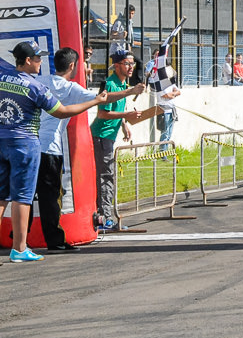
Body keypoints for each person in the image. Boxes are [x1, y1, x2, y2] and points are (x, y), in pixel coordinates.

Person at [0, 41, 109, 262]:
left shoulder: (3, 78)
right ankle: (19, 249)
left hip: (2, 140)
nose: (42, 62)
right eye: (38, 58)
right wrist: (96, 101)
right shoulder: (35, 87)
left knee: (1, 197)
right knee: (22, 198)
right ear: (28, 60)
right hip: (26, 145)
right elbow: (62, 111)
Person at [33, 47, 143, 250]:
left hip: (32, 143)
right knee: (50, 195)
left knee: (27, 194)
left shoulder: (43, 81)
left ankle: (19, 239)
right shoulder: (71, 88)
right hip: (50, 146)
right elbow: (103, 100)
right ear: (73, 66)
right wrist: (131, 91)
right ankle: (53, 241)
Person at [91, 49, 146, 230]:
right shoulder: (110, 84)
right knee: (106, 176)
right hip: (101, 136)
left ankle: (104, 215)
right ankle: (105, 217)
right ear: (116, 65)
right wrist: (127, 113)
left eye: (132, 64)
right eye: (127, 64)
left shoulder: (123, 85)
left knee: (108, 175)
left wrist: (124, 123)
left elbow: (118, 107)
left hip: (109, 136)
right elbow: (102, 113)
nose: (131, 67)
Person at [148, 58, 181, 154]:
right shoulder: (159, 81)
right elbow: (166, 95)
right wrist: (172, 94)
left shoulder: (170, 80)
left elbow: (177, 91)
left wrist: (173, 94)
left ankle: (165, 151)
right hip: (163, 109)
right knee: (165, 133)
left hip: (171, 109)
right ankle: (162, 152)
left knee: (169, 133)